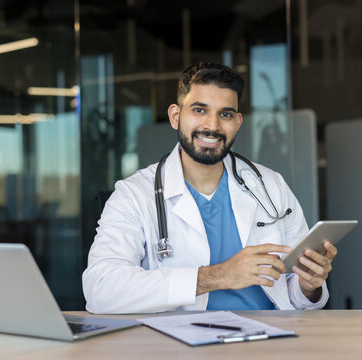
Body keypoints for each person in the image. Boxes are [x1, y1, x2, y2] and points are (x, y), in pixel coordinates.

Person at [83, 62, 337, 314]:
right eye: (199, 110)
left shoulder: (271, 186)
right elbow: (101, 290)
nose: (212, 126)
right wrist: (215, 276)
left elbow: (292, 293)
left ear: (237, 122)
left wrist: (308, 286)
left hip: (268, 339)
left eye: (225, 114)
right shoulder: (134, 194)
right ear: (175, 116)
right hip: (179, 345)